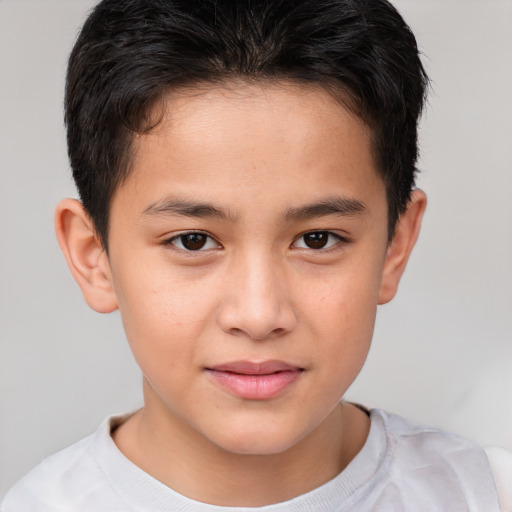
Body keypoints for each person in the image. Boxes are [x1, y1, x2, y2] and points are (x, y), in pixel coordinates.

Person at [1, 0, 510, 510]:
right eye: (193, 240)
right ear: (94, 257)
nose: (259, 314)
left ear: (394, 246)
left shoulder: (485, 494)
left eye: (318, 239)